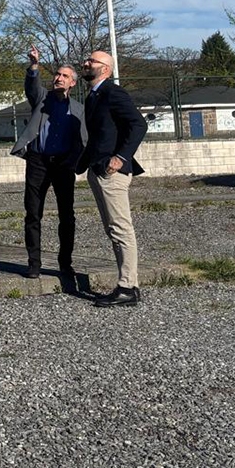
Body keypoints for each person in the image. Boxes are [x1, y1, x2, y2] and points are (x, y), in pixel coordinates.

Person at [76, 50, 148, 308]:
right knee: (113, 229)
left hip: (112, 172)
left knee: (120, 229)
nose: (86, 63)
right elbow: (98, 136)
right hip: (97, 170)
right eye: (87, 60)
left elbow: (138, 125)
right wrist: (81, 165)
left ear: (105, 69)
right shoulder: (93, 96)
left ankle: (127, 287)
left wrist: (120, 157)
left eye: (92, 61)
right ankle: (129, 285)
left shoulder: (113, 93)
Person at [9, 48, 86, 280]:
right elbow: (32, 87)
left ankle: (65, 263)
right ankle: (34, 263)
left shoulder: (79, 110)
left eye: (64, 76)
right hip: (38, 161)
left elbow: (82, 140)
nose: (58, 78)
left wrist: (74, 162)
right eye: (57, 75)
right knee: (33, 213)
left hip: (63, 164)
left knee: (67, 215)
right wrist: (34, 66)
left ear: (72, 83)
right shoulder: (43, 99)